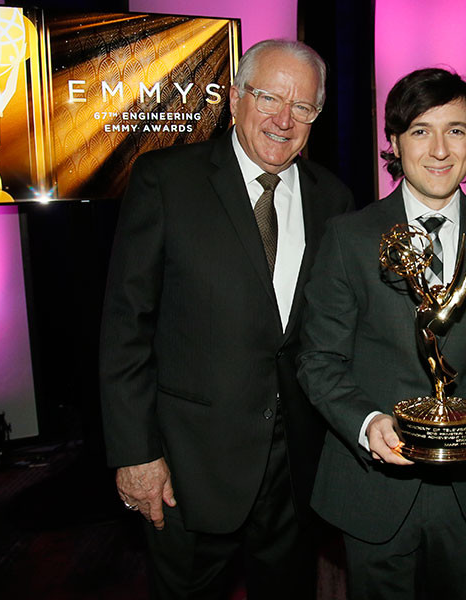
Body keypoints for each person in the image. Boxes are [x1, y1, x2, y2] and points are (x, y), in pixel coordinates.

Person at [99, 39, 353, 599]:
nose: (284, 119)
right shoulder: (165, 181)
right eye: (269, 97)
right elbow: (126, 328)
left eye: (303, 106)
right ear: (236, 97)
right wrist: (135, 454)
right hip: (188, 469)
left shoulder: (333, 199)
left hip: (295, 472)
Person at [297, 67, 466, 600]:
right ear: (394, 141)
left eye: (455, 130)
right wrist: (366, 424)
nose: (439, 149)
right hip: (373, 486)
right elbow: (319, 359)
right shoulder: (348, 236)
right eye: (419, 130)